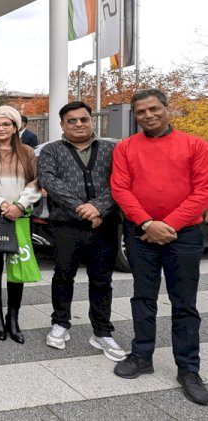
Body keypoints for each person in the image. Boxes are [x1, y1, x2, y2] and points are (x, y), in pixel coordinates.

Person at [110, 89, 208, 405]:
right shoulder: (125, 148)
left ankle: (189, 369)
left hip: (185, 235)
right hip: (141, 235)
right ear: (135, 116)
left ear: (166, 109)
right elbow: (120, 189)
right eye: (141, 111)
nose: (148, 115)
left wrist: (169, 225)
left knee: (184, 303)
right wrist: (147, 223)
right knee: (143, 297)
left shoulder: (196, 145)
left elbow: (202, 191)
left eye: (154, 109)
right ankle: (142, 356)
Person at [37, 101, 125, 361]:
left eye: (83, 119)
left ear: (91, 120)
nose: (78, 124)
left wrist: (98, 208)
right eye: (71, 121)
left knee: (102, 279)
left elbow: (120, 182)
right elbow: (50, 181)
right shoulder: (52, 151)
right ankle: (60, 323)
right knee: (63, 276)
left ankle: (102, 331)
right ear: (62, 125)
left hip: (104, 225)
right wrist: (82, 209)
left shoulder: (111, 149)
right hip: (66, 225)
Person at [0, 105, 40, 344]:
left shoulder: (27, 152)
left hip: (19, 217)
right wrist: (2, 204)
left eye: (6, 124)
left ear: (15, 127)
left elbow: (36, 182)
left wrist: (19, 205)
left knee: (16, 269)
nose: (1, 128)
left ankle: (13, 317)